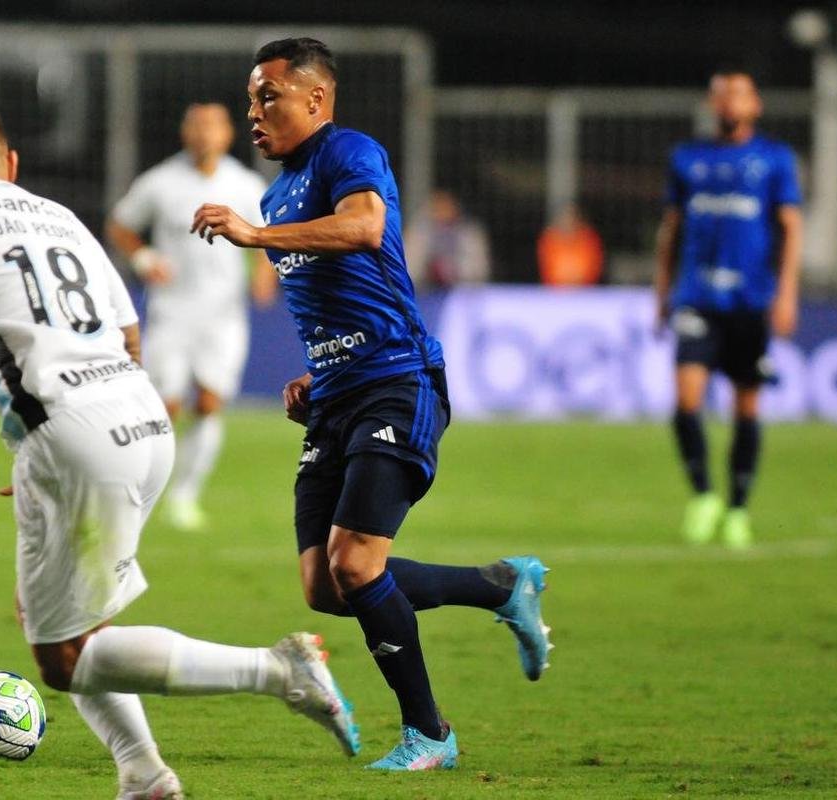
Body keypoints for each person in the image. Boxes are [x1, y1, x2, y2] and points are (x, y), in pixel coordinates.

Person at [0, 102, 358, 800]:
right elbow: (129, 333)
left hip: (74, 434)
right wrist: (60, 454)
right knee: (71, 620)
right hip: (140, 419)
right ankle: (143, 774)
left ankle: (277, 671)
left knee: (61, 657)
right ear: (11, 163)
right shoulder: (58, 217)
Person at [191, 38, 552, 771]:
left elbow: (364, 227)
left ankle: (430, 734)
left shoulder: (348, 153)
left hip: (396, 380)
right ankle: (500, 586)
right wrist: (315, 370)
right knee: (325, 586)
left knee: (356, 564)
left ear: (315, 99)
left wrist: (255, 236)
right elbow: (334, 296)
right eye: (251, 99)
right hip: (337, 394)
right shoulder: (277, 193)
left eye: (269, 97)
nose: (254, 113)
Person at [106, 103, 275, 531]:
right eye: (196, 125)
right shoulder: (161, 181)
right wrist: (144, 258)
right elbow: (120, 225)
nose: (204, 134)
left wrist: (265, 276)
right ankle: (142, 489)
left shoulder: (244, 184)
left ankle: (185, 495)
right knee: (166, 405)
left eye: (212, 126)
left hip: (224, 315)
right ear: (185, 132)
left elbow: (267, 237)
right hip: (172, 312)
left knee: (210, 402)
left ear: (228, 133)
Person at [654, 68, 803, 549]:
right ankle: (703, 495)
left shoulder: (774, 159)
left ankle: (738, 507)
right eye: (721, 95)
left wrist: (787, 293)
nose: (729, 102)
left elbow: (791, 229)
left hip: (750, 301)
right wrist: (661, 293)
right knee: (686, 400)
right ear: (711, 104)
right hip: (697, 297)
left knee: (747, 406)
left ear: (755, 105)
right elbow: (671, 230)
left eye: (738, 94)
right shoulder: (688, 158)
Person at [403, 188, 490, 290]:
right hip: (422, 292)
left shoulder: (470, 234)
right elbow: (407, 269)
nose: (442, 214)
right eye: (437, 210)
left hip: (460, 293)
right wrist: (428, 270)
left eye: (446, 209)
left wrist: (451, 271)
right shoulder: (417, 233)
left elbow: (479, 270)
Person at [537, 203, 604, 286]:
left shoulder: (589, 240)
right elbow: (548, 269)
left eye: (572, 218)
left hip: (585, 290)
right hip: (556, 290)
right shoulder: (549, 240)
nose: (568, 222)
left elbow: (593, 268)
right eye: (565, 218)